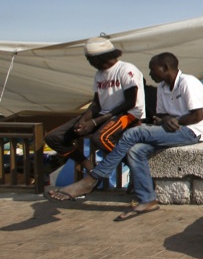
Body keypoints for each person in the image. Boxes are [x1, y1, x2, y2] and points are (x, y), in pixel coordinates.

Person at [49, 52, 203, 221]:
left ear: (165, 68)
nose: (149, 74)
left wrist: (175, 120)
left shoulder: (187, 82)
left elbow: (197, 116)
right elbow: (161, 114)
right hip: (173, 130)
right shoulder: (163, 88)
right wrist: (165, 119)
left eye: (152, 69)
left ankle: (93, 179)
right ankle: (147, 199)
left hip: (192, 131)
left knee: (133, 132)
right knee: (136, 150)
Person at [44, 37, 146, 175]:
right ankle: (88, 165)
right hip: (104, 114)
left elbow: (130, 102)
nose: (90, 63)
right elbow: (96, 103)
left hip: (128, 114)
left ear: (98, 58)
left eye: (89, 60)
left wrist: (94, 122)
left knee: (101, 138)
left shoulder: (126, 69)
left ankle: (137, 170)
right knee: (53, 138)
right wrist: (83, 120)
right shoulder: (99, 75)